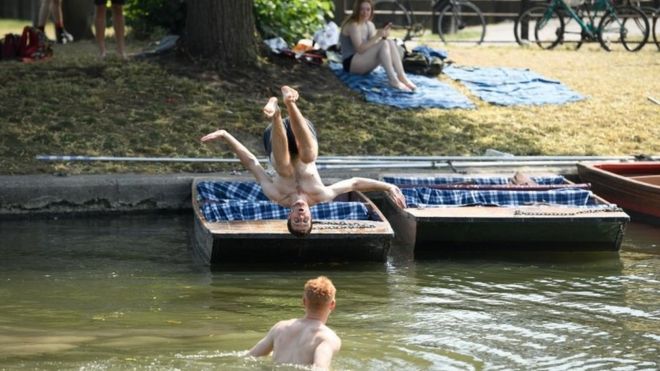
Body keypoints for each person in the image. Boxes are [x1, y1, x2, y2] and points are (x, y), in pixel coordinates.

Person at [201, 85, 406, 237]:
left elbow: (252, 163)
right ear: (309, 216)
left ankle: (276, 113)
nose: (301, 217)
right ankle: (290, 102)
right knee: (309, 158)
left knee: (283, 167)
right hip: (303, 133)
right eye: (305, 220)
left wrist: (226, 135)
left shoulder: (276, 194)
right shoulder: (321, 194)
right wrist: (387, 187)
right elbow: (354, 183)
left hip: (276, 136)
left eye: (297, 221)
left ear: (289, 217)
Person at [247, 276, 341, 369]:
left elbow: (250, 357)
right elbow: (320, 369)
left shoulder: (280, 328)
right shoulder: (328, 338)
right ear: (332, 304)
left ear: (304, 301)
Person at [340, 0, 416, 92]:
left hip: (362, 61)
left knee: (389, 42)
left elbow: (374, 45)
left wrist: (383, 36)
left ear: (371, 11)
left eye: (368, 9)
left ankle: (401, 76)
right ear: (357, 10)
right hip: (351, 64)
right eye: (362, 9)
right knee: (384, 43)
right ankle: (393, 80)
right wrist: (377, 36)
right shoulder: (353, 25)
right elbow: (360, 49)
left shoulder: (369, 25)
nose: (365, 12)